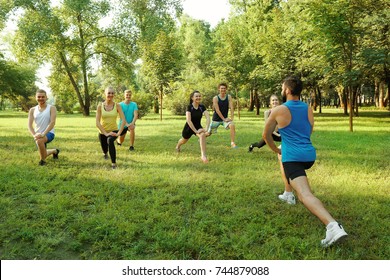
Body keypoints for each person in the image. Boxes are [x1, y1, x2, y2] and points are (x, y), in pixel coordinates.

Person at [262, 76, 348, 247]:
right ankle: (287, 193)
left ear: (287, 90)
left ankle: (333, 227)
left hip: (294, 158)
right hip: (309, 155)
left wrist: (276, 149)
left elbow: (266, 136)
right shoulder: (307, 108)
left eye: (282, 87)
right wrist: (283, 150)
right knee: (283, 156)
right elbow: (309, 130)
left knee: (304, 194)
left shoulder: (278, 110)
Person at [96, 87, 126, 169]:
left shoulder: (117, 106)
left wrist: (119, 133)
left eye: (112, 93)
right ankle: (105, 153)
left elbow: (123, 119)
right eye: (109, 93)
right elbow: (97, 122)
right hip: (103, 131)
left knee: (110, 140)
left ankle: (113, 164)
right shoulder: (100, 106)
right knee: (105, 150)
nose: (111, 95)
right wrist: (105, 133)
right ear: (105, 94)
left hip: (114, 130)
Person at [176, 91, 211, 163]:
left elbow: (208, 117)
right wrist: (195, 131)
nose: (198, 97)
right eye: (196, 96)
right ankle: (178, 146)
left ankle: (203, 156)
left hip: (198, 126)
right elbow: (188, 120)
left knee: (202, 135)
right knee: (183, 141)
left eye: (199, 96)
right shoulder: (189, 107)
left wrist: (206, 128)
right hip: (189, 127)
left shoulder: (202, 107)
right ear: (192, 98)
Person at [28, 89, 60, 166]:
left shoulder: (52, 108)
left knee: (39, 142)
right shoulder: (32, 110)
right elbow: (29, 125)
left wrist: (43, 134)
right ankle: (54, 151)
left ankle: (42, 161)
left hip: (49, 133)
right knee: (44, 153)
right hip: (38, 135)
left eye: (43, 97)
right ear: (36, 98)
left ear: (46, 97)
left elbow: (52, 123)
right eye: (39, 97)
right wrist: (34, 135)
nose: (41, 98)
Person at [207, 83, 237, 148]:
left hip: (225, 119)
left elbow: (231, 107)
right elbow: (217, 110)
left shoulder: (229, 97)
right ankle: (201, 138)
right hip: (216, 119)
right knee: (208, 133)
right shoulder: (215, 98)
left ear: (226, 89)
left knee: (232, 125)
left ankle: (232, 143)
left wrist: (231, 118)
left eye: (224, 88)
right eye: (221, 88)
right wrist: (224, 119)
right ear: (219, 89)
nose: (223, 89)